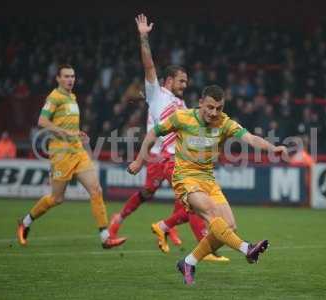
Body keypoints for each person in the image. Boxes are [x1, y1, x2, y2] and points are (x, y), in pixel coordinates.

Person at [128, 85, 289, 284]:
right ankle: (246, 248)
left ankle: (188, 262)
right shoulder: (182, 117)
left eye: (219, 108)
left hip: (208, 180)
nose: (214, 113)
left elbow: (251, 138)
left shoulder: (224, 123)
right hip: (185, 178)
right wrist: (139, 160)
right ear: (201, 103)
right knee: (212, 213)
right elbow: (154, 132)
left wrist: (273, 149)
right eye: (210, 107)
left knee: (229, 226)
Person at [109, 14, 227, 261]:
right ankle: (189, 241)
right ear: (169, 79)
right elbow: (149, 65)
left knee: (186, 201)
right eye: (182, 80)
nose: (185, 84)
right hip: (164, 157)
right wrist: (143, 37)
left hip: (180, 158)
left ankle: (167, 229)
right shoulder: (157, 93)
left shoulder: (181, 103)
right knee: (192, 201)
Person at [16, 64, 126, 249]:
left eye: (73, 76)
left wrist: (77, 133)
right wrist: (65, 133)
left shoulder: (72, 97)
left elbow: (68, 126)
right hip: (61, 153)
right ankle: (25, 222)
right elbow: (42, 121)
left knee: (96, 190)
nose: (70, 80)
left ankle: (105, 237)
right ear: (58, 78)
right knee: (56, 198)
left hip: (77, 151)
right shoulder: (54, 97)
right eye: (66, 76)